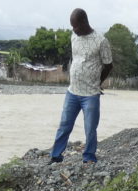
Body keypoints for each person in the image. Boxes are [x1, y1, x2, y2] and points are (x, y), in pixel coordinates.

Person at [48, 9, 113, 164]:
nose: (73, 30)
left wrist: (98, 82)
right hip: (72, 91)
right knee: (64, 125)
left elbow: (108, 65)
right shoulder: (73, 36)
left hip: (90, 93)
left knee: (90, 128)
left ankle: (89, 157)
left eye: (75, 26)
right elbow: (77, 58)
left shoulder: (101, 41)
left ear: (84, 23)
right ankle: (56, 156)